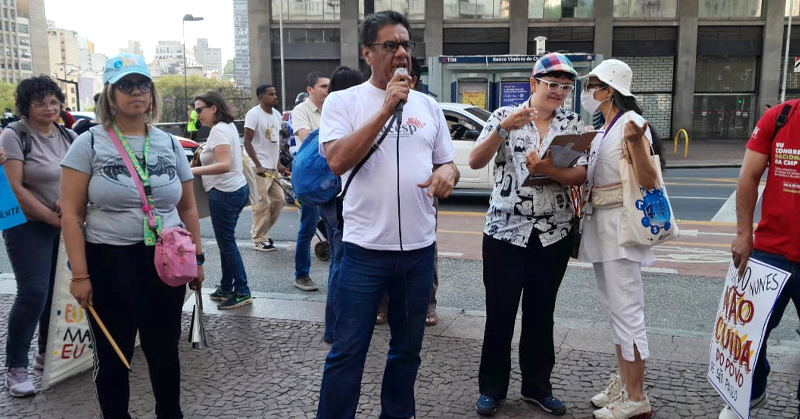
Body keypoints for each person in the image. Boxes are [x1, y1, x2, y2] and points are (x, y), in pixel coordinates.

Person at [316, 11, 458, 419]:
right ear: (367, 53)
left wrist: (448, 172)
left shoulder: (428, 106)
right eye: (390, 45)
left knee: (407, 352)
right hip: (363, 253)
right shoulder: (343, 102)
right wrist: (385, 107)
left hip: (417, 253)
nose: (401, 53)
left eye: (406, 45)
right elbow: (338, 161)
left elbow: (447, 163)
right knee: (348, 352)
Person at [60, 53, 203, 418]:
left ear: (151, 94)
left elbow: (187, 208)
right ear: (110, 95)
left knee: (164, 352)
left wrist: (198, 258)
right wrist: (80, 275)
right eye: (125, 86)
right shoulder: (89, 144)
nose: (135, 92)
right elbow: (72, 215)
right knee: (113, 357)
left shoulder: (170, 144)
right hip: (110, 261)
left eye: (142, 85)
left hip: (165, 260)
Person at [468, 52, 586, 417]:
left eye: (566, 87)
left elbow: (580, 175)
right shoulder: (505, 116)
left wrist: (549, 168)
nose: (559, 93)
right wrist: (503, 129)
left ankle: (537, 387)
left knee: (541, 313)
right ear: (534, 84)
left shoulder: (572, 124)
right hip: (505, 232)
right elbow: (475, 160)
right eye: (553, 85)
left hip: (553, 235)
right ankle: (492, 388)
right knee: (499, 313)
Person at [577, 59, 661, 419]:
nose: (588, 92)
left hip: (620, 230)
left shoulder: (630, 124)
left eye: (592, 85)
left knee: (627, 311)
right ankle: (625, 384)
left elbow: (649, 179)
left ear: (609, 90)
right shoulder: (609, 124)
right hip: (604, 226)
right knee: (616, 311)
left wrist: (637, 144)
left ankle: (636, 396)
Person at [718, 100, 800, 418]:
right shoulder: (778, 117)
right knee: (749, 331)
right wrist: (743, 234)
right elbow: (749, 177)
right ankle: (751, 391)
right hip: (770, 252)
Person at [0, 75, 76, 397]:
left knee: (57, 293)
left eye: (54, 102)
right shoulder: (13, 135)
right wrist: (51, 216)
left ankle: (47, 354)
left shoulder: (69, 135)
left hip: (62, 222)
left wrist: (69, 200)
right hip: (26, 223)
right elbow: (13, 188)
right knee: (34, 293)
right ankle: (15, 367)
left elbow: (79, 178)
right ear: (26, 107)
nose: (48, 108)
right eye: (40, 103)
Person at [376, 58, 442, 327]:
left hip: (421, 202)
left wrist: (447, 172)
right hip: (380, 204)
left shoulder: (428, 106)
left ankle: (428, 304)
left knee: (427, 254)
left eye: (405, 76)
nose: (399, 80)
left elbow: (443, 159)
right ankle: (382, 305)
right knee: (380, 255)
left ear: (414, 80)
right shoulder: (367, 104)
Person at [191, 90, 252, 310]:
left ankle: (242, 291)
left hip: (224, 193)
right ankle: (227, 287)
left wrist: (195, 170)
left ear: (213, 108)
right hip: (234, 190)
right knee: (226, 242)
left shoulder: (218, 131)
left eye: (200, 110)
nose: (197, 115)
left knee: (227, 243)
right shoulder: (227, 127)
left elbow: (225, 163)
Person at [318, 65, 363, 344]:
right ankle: (335, 329)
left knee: (338, 260)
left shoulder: (330, 114)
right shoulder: (348, 114)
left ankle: (335, 328)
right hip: (340, 201)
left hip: (328, 199)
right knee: (342, 264)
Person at [291, 71, 330, 292]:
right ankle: (301, 275)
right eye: (323, 86)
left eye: (329, 86)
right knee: (307, 227)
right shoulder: (301, 110)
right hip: (310, 177)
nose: (327, 90)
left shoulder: (331, 108)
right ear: (310, 90)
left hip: (330, 173)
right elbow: (307, 138)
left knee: (335, 224)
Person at [244, 84, 287, 252]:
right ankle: (259, 239)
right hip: (258, 167)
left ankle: (262, 232)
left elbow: (274, 143)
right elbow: (247, 142)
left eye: (275, 93)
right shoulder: (253, 114)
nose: (275, 96)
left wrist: (278, 164)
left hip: (272, 167)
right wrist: (258, 164)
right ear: (261, 97)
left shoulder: (276, 115)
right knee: (260, 204)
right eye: (271, 94)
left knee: (279, 200)